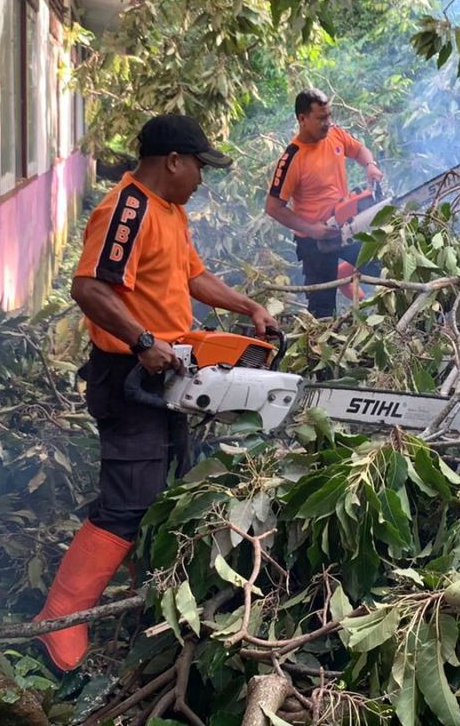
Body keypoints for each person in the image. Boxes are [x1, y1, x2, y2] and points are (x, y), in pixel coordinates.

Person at [35, 113, 279, 671]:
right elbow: (90, 286)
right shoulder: (128, 209)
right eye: (198, 166)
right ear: (173, 160)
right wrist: (142, 339)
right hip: (130, 376)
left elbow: (192, 277)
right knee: (129, 498)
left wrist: (248, 308)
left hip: (166, 372)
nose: (201, 178)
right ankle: (61, 619)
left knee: (163, 481)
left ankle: (134, 588)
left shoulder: (169, 211)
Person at [264, 88, 383, 318]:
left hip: (347, 226)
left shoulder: (336, 134)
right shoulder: (292, 158)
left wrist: (370, 165)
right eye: (320, 118)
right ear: (302, 119)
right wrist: (312, 229)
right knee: (322, 310)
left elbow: (360, 151)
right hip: (313, 241)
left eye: (328, 116)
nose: (327, 123)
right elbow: (273, 207)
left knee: (383, 267)